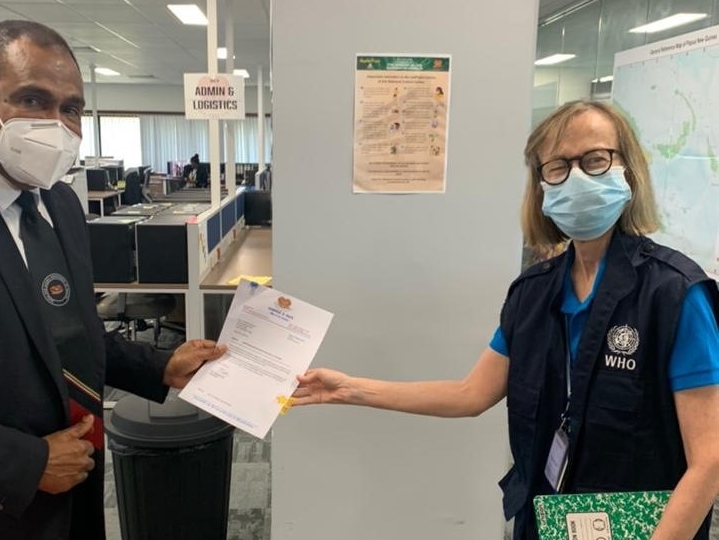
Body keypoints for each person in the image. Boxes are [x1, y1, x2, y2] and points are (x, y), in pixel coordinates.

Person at [293, 100, 719, 539]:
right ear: (541, 187)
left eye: (594, 160)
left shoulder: (674, 294)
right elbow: (469, 394)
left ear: (627, 169)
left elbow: (709, 461)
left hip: (644, 527)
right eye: (557, 167)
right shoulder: (533, 294)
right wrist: (350, 389)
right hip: (547, 519)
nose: (577, 178)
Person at [0, 20, 226, 540]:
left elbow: (66, 333)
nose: (55, 123)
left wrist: (162, 364)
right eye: (32, 100)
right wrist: (28, 463)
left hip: (77, 493)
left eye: (71, 108)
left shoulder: (58, 201)